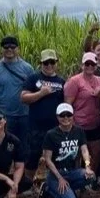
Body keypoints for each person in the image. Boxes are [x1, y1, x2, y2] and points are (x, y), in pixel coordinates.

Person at [20, 49, 66, 183]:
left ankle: (51, 183)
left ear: (56, 63)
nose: (49, 65)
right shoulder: (34, 78)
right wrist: (41, 93)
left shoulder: (61, 81)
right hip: (36, 127)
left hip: (55, 128)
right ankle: (28, 184)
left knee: (55, 157)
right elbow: (23, 97)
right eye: (46, 63)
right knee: (32, 157)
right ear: (41, 63)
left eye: (52, 62)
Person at [41, 103, 96, 198]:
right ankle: (49, 189)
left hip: (72, 171)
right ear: (57, 117)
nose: (66, 118)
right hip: (56, 173)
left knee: (91, 176)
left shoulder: (79, 131)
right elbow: (47, 159)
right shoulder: (51, 134)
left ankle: (65, 189)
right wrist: (60, 178)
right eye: (62, 115)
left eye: (68, 115)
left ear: (73, 115)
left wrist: (88, 167)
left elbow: (84, 150)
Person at [64, 52, 100, 181]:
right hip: (78, 124)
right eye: (87, 64)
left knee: (97, 152)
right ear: (82, 65)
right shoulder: (74, 81)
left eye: (92, 64)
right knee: (77, 154)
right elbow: (67, 104)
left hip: (95, 124)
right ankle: (76, 178)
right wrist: (68, 124)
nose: (90, 66)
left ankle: (89, 178)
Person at [0, 35, 34, 146]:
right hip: (6, 116)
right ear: (1, 49)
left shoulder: (28, 68)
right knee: (7, 145)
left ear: (18, 49)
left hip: (25, 114)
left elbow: (32, 91)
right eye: (6, 47)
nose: (9, 49)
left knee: (25, 146)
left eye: (12, 47)